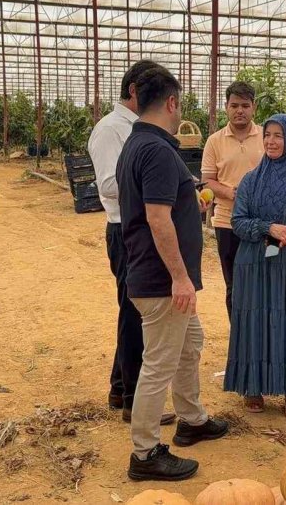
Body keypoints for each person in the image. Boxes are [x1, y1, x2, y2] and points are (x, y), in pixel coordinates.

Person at [117, 63, 228, 481]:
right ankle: (144, 454)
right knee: (160, 362)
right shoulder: (159, 150)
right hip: (163, 280)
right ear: (171, 102)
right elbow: (158, 219)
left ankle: (192, 418)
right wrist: (180, 278)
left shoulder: (138, 143)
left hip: (153, 274)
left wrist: (189, 199)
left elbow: (163, 208)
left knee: (189, 343)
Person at [88, 60, 176, 427]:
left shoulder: (136, 129)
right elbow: (108, 184)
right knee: (134, 311)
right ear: (136, 92)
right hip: (127, 228)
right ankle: (131, 399)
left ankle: (119, 387)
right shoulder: (111, 130)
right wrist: (152, 181)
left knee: (133, 309)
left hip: (138, 225)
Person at [223, 114, 286, 420]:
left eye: (279, 135)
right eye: (267, 135)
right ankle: (253, 387)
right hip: (254, 261)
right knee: (257, 318)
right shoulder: (251, 181)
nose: (271, 141)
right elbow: (237, 222)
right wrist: (268, 227)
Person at [201, 81, 263, 321]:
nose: (240, 110)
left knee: (261, 282)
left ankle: (260, 337)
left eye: (245, 105)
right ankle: (239, 337)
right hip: (227, 223)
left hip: (262, 224)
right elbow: (207, 181)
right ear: (226, 107)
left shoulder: (266, 137)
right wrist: (231, 193)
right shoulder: (214, 141)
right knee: (234, 283)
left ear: (253, 108)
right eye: (234, 105)